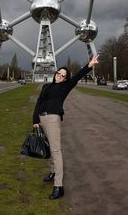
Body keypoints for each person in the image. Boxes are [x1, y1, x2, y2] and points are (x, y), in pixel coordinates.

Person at [33, 54, 99, 200]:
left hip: (52, 119)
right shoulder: (46, 86)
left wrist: (90, 64)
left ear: (65, 79)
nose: (60, 76)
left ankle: (58, 186)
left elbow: (77, 76)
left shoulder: (65, 87)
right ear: (55, 74)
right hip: (41, 119)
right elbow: (38, 102)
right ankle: (53, 172)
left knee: (56, 151)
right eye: (59, 73)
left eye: (63, 75)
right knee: (48, 147)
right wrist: (35, 119)